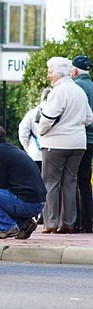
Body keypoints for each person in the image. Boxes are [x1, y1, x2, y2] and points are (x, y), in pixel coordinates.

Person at [38, 57, 93, 234]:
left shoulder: (58, 92)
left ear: (59, 73)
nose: (48, 75)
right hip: (78, 143)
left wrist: (41, 131)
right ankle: (69, 223)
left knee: (50, 182)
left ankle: (51, 223)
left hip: (56, 143)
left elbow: (48, 118)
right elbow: (89, 118)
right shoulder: (79, 91)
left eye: (50, 72)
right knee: (70, 182)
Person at [0, 125, 46, 239]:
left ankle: (7, 227)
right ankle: (24, 224)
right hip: (38, 201)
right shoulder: (11, 149)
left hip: (26, 202)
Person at [70, 55, 93, 233]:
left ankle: (75, 222)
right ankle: (88, 222)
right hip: (92, 140)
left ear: (75, 71)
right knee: (85, 182)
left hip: (80, 138)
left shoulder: (75, 86)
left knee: (72, 180)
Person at [18, 87, 52, 171]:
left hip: (35, 153)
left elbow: (23, 133)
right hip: (53, 155)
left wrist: (28, 147)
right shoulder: (59, 112)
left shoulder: (32, 113)